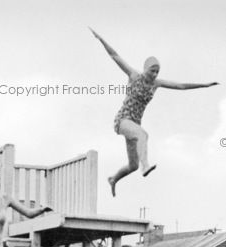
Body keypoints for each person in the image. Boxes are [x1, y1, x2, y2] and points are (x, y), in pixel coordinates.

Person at [89, 27, 219, 197]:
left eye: (157, 72)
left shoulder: (157, 84)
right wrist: (100, 39)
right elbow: (115, 56)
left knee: (132, 165)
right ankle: (146, 166)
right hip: (123, 121)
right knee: (143, 136)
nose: (155, 74)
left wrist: (204, 85)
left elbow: (180, 86)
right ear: (145, 69)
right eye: (152, 71)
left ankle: (113, 179)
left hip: (134, 125)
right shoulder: (134, 75)